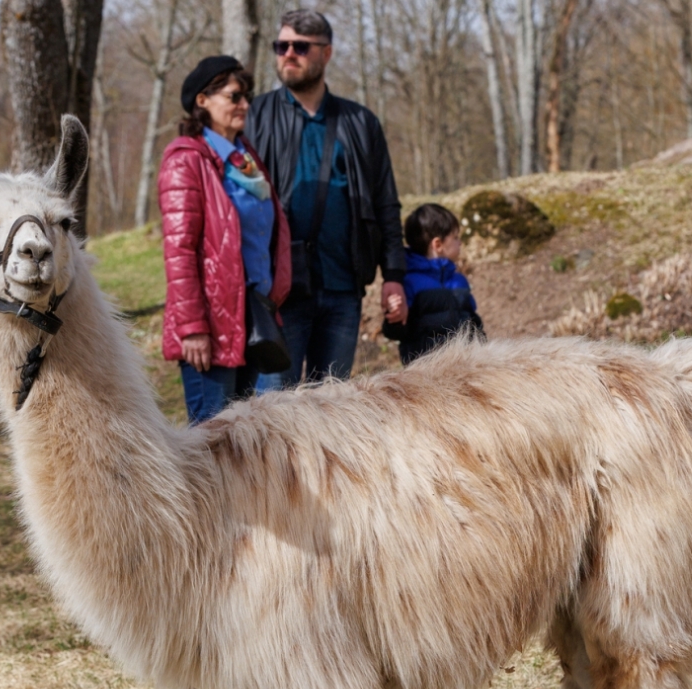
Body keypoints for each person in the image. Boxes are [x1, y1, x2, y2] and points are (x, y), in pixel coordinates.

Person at [246, 9, 408, 386]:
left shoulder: (360, 123)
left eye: (300, 47)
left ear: (326, 53)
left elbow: (386, 203)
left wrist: (394, 276)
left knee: (331, 412)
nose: (288, 53)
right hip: (279, 292)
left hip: (342, 290)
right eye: (281, 45)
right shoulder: (255, 116)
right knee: (273, 413)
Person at [159, 56, 293, 424]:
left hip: (254, 318)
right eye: (235, 97)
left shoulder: (245, 160)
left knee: (245, 448)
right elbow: (179, 251)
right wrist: (191, 329)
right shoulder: (186, 160)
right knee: (211, 448)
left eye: (246, 96)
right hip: (210, 328)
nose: (245, 105)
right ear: (203, 101)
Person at [383, 203, 484, 365]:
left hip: (466, 366)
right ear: (438, 245)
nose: (460, 243)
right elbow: (396, 331)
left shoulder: (459, 280)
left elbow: (472, 320)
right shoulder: (410, 282)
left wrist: (482, 348)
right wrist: (393, 316)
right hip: (426, 374)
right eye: (455, 237)